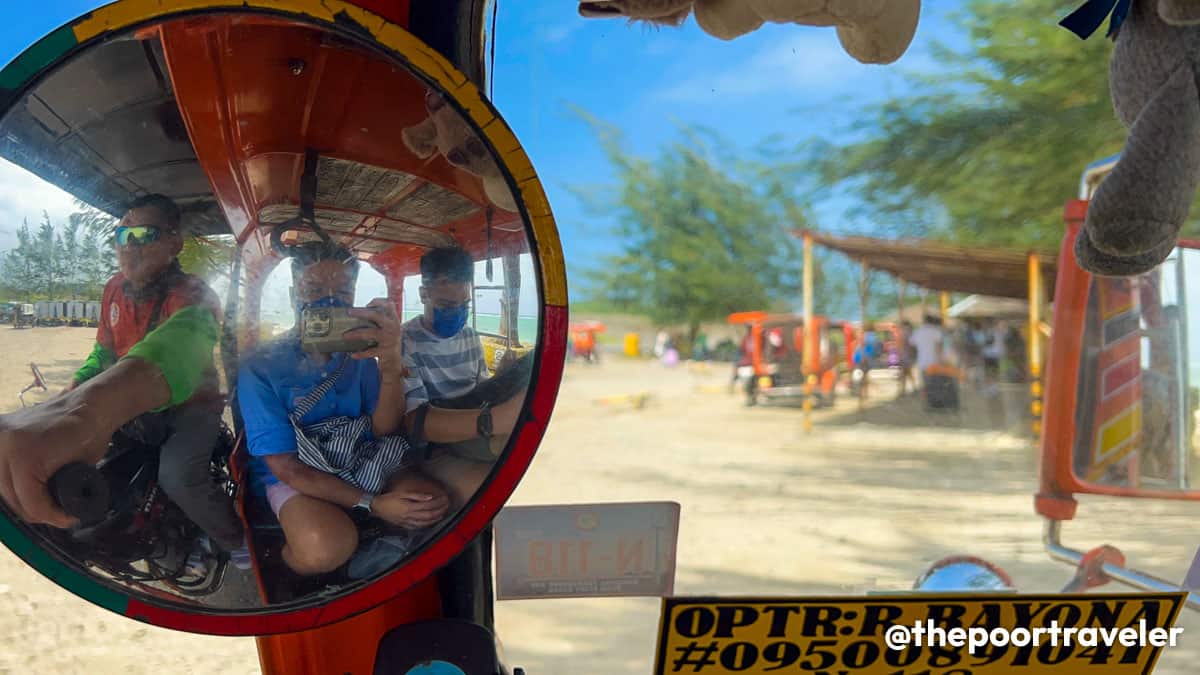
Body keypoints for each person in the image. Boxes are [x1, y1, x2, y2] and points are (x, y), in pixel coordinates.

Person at [0, 195, 246, 564]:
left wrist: (82, 410)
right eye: (122, 234)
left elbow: (177, 350)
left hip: (192, 406)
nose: (130, 244)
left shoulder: (194, 296)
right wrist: (72, 389)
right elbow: (104, 352)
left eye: (144, 233)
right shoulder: (114, 288)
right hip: (132, 405)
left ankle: (236, 542)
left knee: (179, 476)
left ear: (173, 243)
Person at [237, 243, 451, 576]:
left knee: (429, 503)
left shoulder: (361, 355)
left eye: (342, 291)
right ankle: (283, 560)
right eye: (314, 290)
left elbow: (383, 429)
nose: (329, 300)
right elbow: (286, 467)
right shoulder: (261, 367)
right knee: (324, 549)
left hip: (359, 457)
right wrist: (373, 504)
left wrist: (390, 358)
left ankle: (366, 546)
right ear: (294, 294)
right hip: (300, 473)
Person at [400, 247, 527, 506]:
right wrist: (495, 420)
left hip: (472, 413)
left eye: (465, 305)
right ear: (424, 294)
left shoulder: (469, 336)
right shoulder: (404, 342)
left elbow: (480, 387)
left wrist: (500, 378)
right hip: (436, 442)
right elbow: (414, 422)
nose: (457, 313)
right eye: (446, 305)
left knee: (530, 365)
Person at [909, 315, 945, 390]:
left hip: (922, 361)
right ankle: (935, 398)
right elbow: (939, 348)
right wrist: (941, 360)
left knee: (925, 383)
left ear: (924, 321)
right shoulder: (936, 331)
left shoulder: (917, 331)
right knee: (935, 382)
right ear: (932, 322)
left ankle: (926, 399)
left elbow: (912, 345)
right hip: (934, 361)